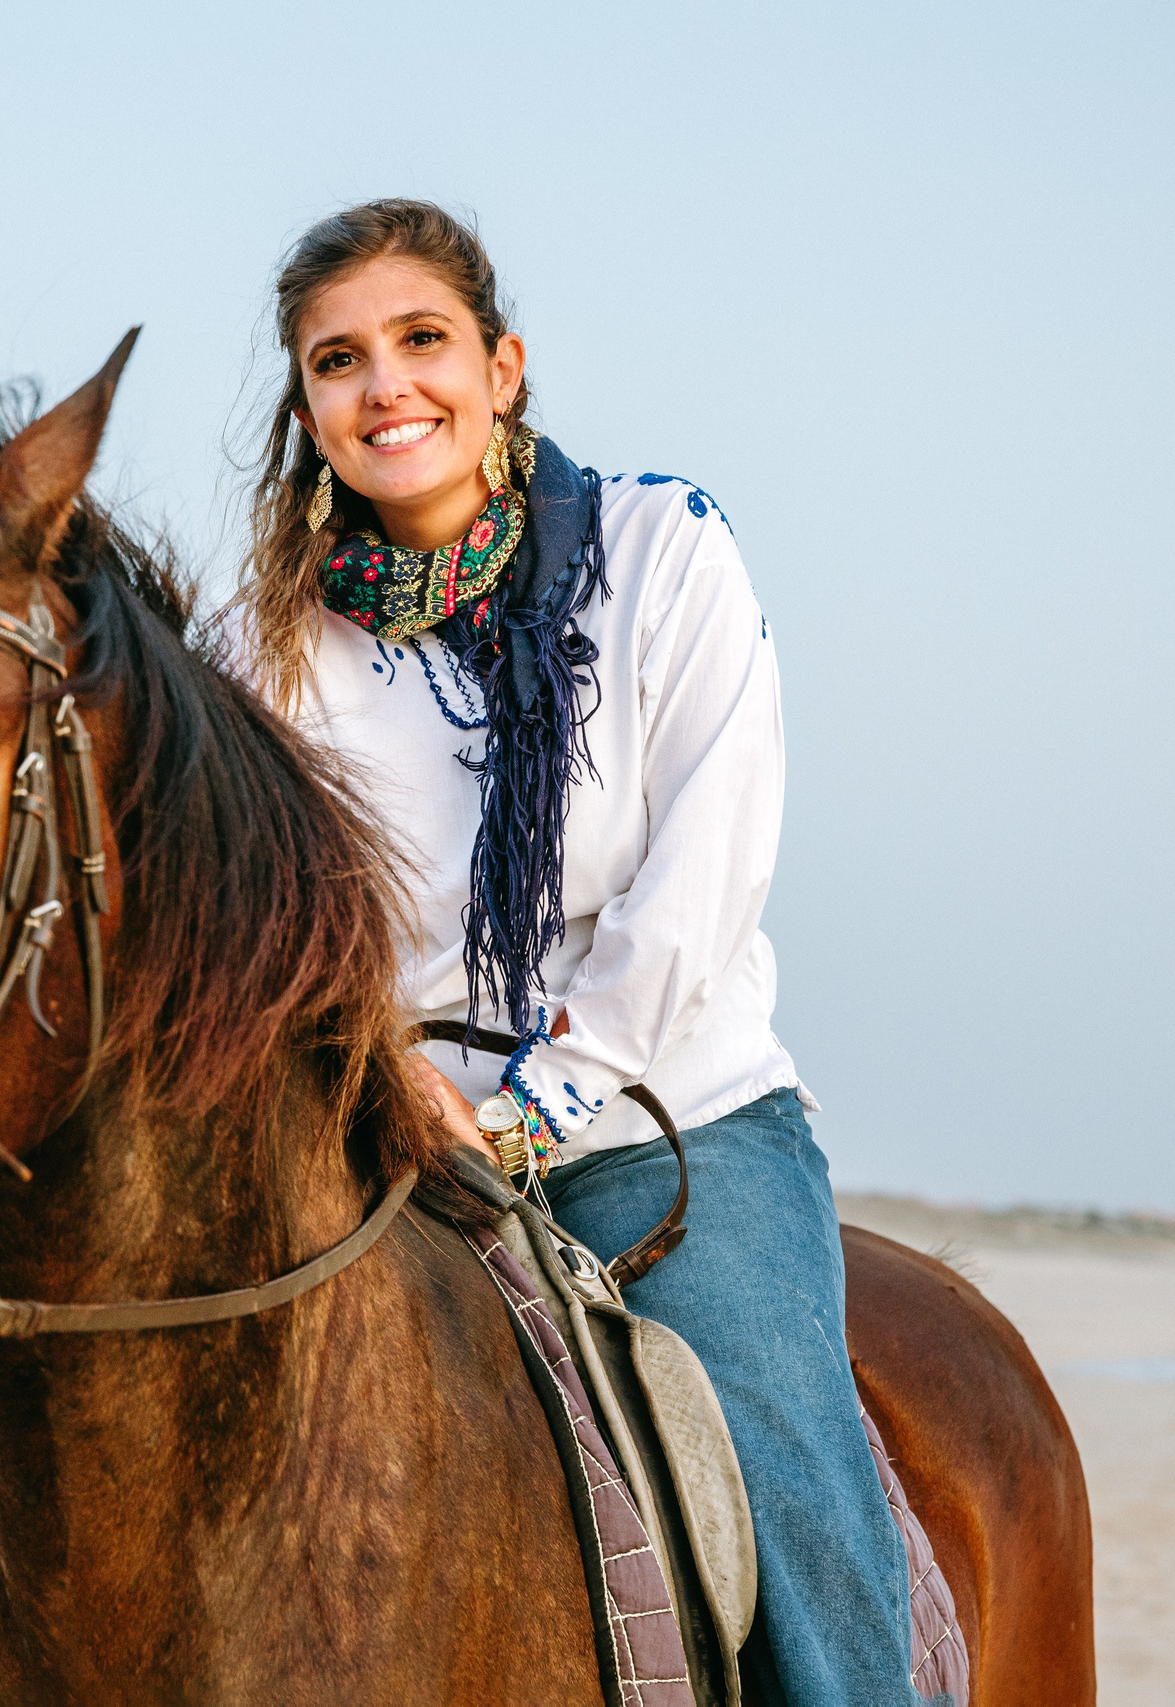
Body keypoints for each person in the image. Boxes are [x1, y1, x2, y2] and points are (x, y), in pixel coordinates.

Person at [230, 199, 923, 1707]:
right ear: (309, 409)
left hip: (662, 1118)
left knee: (786, 1488)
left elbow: (704, 874)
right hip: (376, 1133)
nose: (385, 385)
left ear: (503, 367)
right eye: (339, 360)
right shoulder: (265, 646)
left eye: (421, 340)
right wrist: (382, 1081)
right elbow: (263, 934)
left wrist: (537, 1106)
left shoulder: (661, 546)